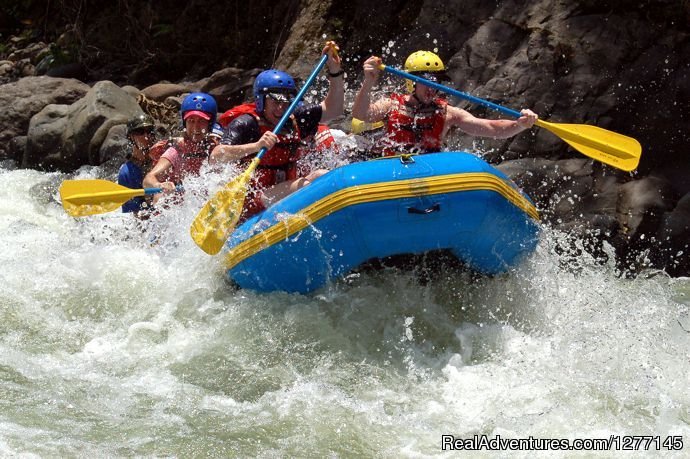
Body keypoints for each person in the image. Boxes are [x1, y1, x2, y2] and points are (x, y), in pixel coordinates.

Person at [210, 41, 344, 219]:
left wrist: (335, 71)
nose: (281, 108)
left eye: (285, 102)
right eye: (275, 102)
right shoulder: (247, 124)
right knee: (316, 178)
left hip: (285, 189)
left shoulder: (296, 118)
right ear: (261, 100)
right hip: (254, 199)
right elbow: (215, 157)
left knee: (325, 174)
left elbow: (334, 109)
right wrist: (256, 146)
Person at [351, 50, 538, 157]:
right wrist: (368, 81)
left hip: (429, 171)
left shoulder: (448, 113)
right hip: (388, 170)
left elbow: (491, 127)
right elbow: (361, 114)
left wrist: (519, 124)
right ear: (412, 82)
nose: (433, 88)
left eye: (437, 81)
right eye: (428, 81)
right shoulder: (390, 105)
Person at [143, 92, 218, 200]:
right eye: (191, 121)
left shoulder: (216, 148)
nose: (196, 127)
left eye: (201, 121)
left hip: (202, 203)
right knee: (160, 196)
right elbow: (148, 178)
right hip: (179, 204)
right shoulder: (177, 150)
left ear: (210, 124)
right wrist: (159, 185)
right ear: (185, 123)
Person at [118, 114, 156, 215]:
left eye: (149, 131)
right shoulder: (126, 173)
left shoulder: (163, 161)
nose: (146, 136)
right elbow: (135, 216)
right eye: (140, 132)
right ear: (131, 137)